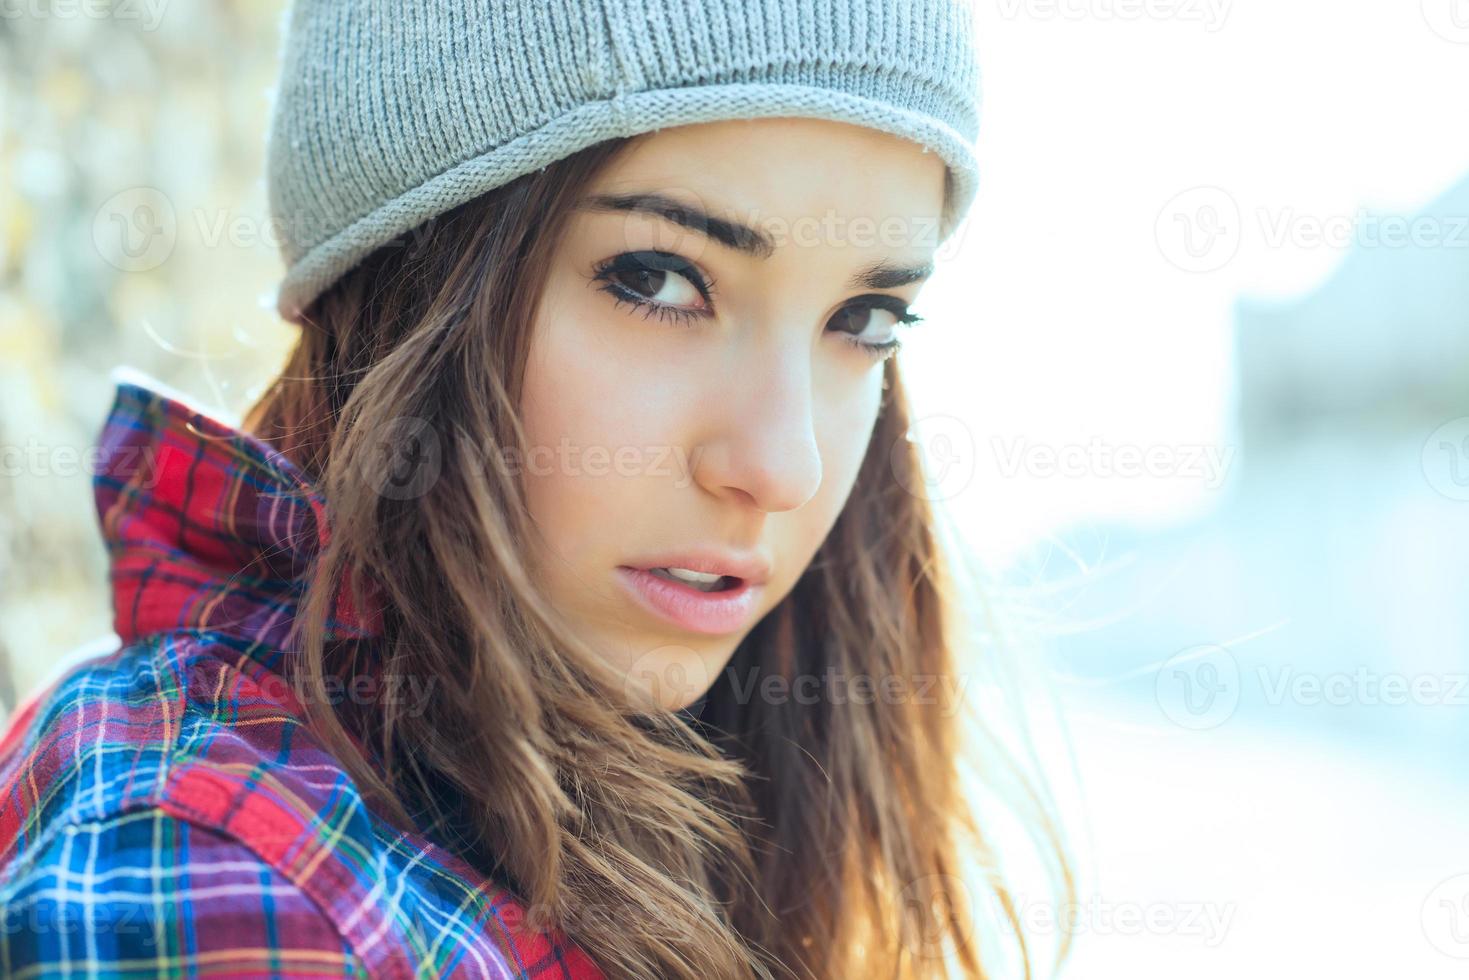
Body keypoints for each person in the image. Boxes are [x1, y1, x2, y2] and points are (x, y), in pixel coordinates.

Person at [0, 1, 1070, 977]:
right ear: (410, 277)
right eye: (656, 280)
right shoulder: (223, 873)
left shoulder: (678, 803)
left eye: (863, 321)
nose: (781, 463)